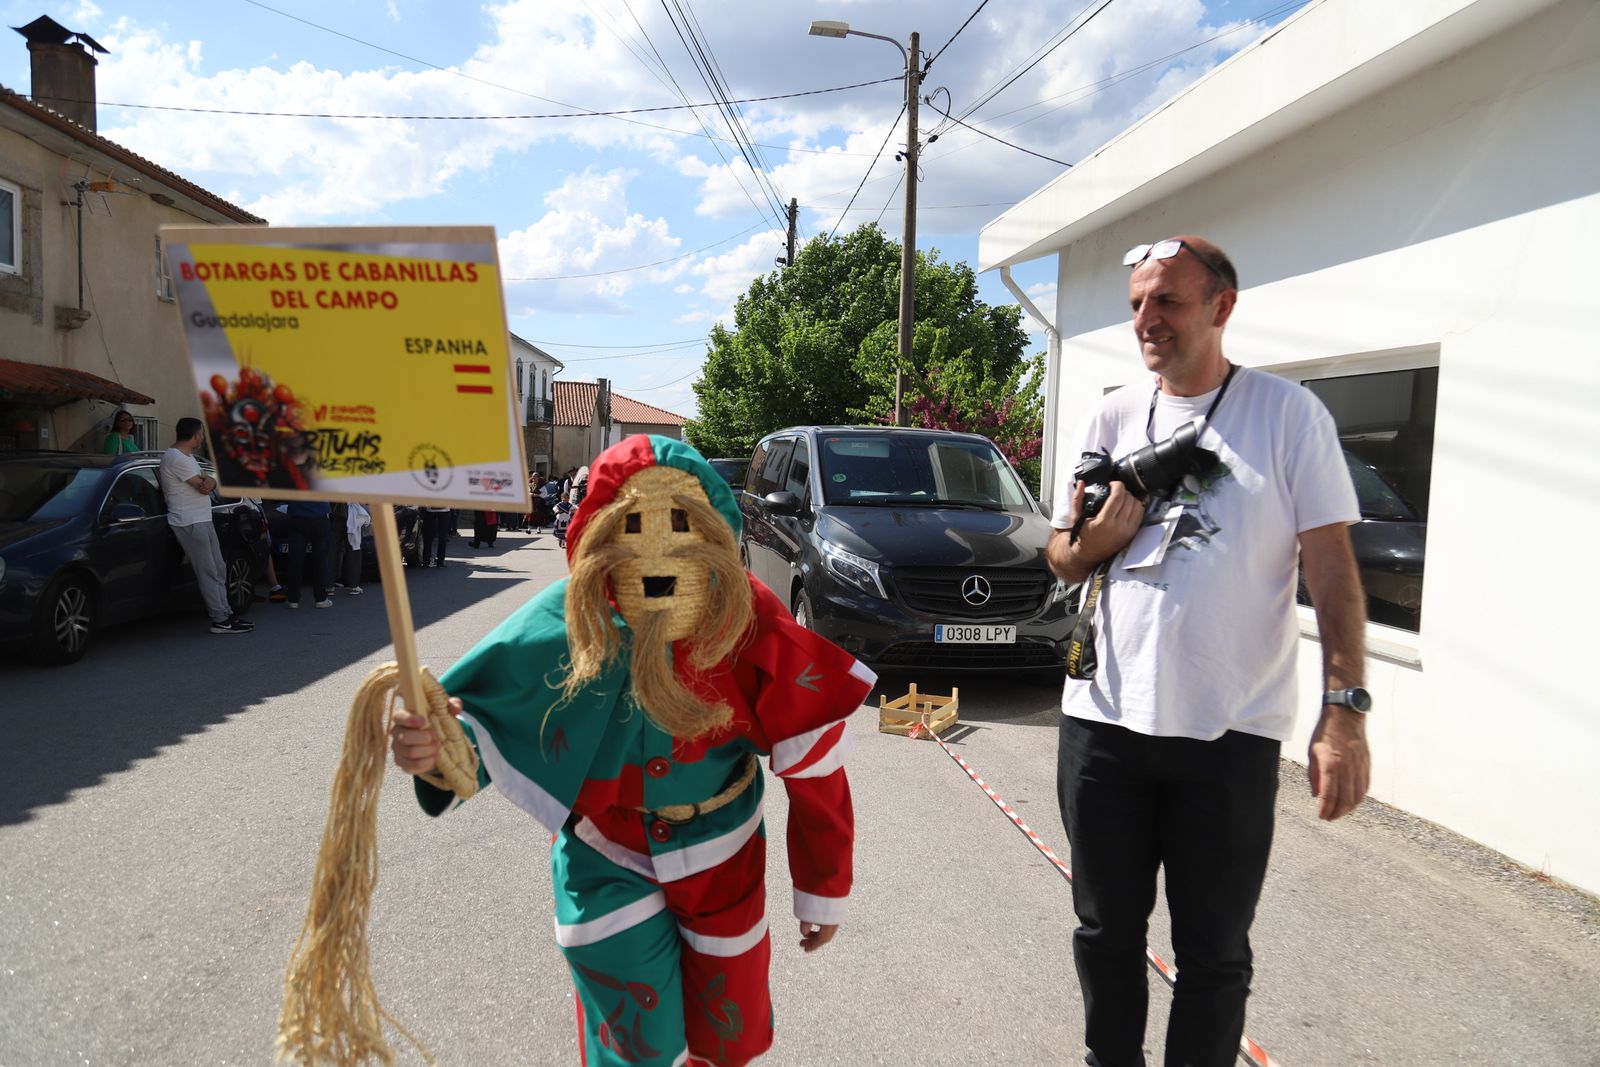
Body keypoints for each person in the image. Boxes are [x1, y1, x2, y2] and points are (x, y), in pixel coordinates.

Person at [387, 435, 876, 1066]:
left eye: (679, 524)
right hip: (605, 852)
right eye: (633, 526)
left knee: (729, 1035)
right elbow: (483, 718)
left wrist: (822, 887)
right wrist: (433, 747)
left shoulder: (747, 617)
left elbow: (815, 764)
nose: (657, 553)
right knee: (637, 1044)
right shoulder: (572, 618)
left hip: (722, 852)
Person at [1046, 236, 1370, 1067]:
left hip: (1230, 733)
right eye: (1136, 305)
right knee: (1104, 932)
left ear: (1222, 307)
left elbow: (1332, 571)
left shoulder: (1287, 415)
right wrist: (1090, 547)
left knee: (1214, 956)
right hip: (1105, 725)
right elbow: (1059, 550)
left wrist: (1346, 713)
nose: (1146, 320)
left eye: (1167, 302)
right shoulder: (1112, 412)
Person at [157, 417, 253, 635]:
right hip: (189, 520)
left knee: (219, 567)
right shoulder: (175, 458)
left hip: (202, 518)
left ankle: (227, 613)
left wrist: (213, 482)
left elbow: (209, 483)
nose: (202, 437)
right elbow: (203, 485)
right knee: (208, 570)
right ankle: (220, 619)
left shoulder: (187, 457)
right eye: (201, 433)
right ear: (195, 435)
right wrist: (211, 483)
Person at [283, 499, 334, 609]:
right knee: (320, 560)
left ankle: (293, 599)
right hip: (319, 517)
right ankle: (320, 598)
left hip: (297, 517)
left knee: (295, 561)